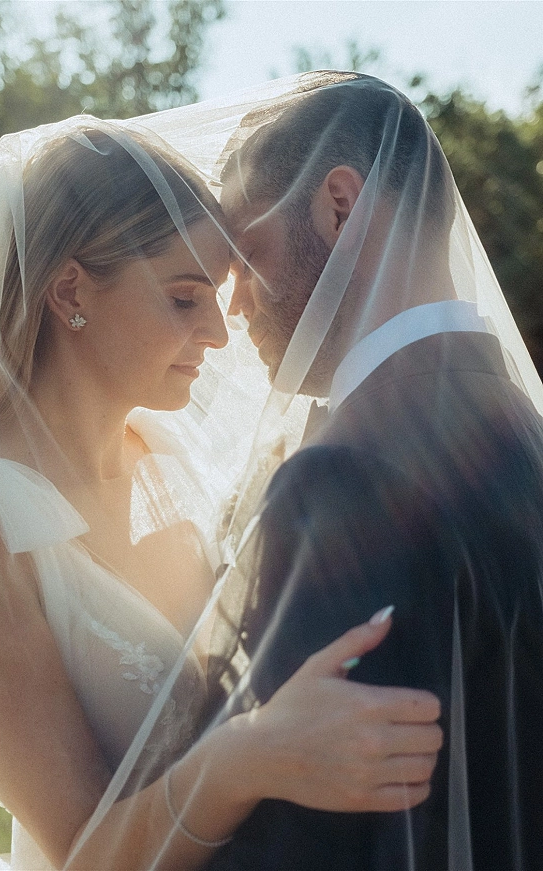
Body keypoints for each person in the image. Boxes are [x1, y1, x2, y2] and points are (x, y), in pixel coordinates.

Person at [0, 117, 443, 871]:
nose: (221, 333)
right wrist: (252, 753)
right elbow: (84, 855)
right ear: (70, 291)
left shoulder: (170, 462)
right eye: (185, 299)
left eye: (217, 296)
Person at [198, 73, 543, 870]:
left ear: (340, 206)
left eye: (247, 254)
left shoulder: (344, 478)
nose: (235, 306)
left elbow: (304, 839)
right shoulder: (522, 432)